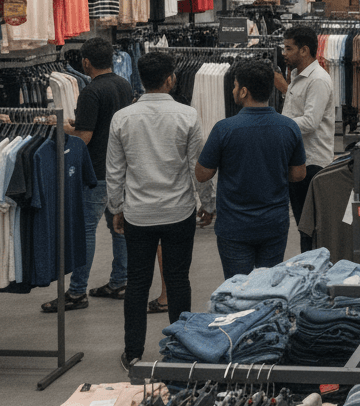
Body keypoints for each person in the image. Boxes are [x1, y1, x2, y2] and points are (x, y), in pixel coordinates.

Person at [105, 51, 211, 371]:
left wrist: (116, 207)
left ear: (141, 79)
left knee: (137, 283)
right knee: (178, 281)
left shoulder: (122, 118)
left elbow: (114, 170)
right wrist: (207, 202)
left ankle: (133, 352)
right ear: (169, 79)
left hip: (139, 213)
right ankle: (181, 349)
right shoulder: (187, 115)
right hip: (179, 210)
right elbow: (200, 167)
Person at [196, 59, 306, 279]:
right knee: (268, 287)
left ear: (244, 91)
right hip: (273, 223)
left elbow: (202, 174)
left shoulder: (224, 129)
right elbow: (298, 174)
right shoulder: (289, 127)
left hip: (234, 226)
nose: (233, 90)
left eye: (235, 86)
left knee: (238, 291)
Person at [47, 37, 133, 313]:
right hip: (120, 169)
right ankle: (120, 281)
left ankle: (76, 292)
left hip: (96, 171)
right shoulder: (124, 85)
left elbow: (84, 136)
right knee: (118, 228)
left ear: (85, 62)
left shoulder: (91, 92)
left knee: (85, 231)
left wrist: (60, 127)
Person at [273, 24, 335, 251]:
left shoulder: (318, 80)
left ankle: (314, 270)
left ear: (304, 50)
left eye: (289, 48)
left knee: (311, 227)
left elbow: (309, 122)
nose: (284, 53)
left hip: (313, 164)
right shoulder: (297, 76)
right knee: (302, 224)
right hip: (298, 161)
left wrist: (276, 125)